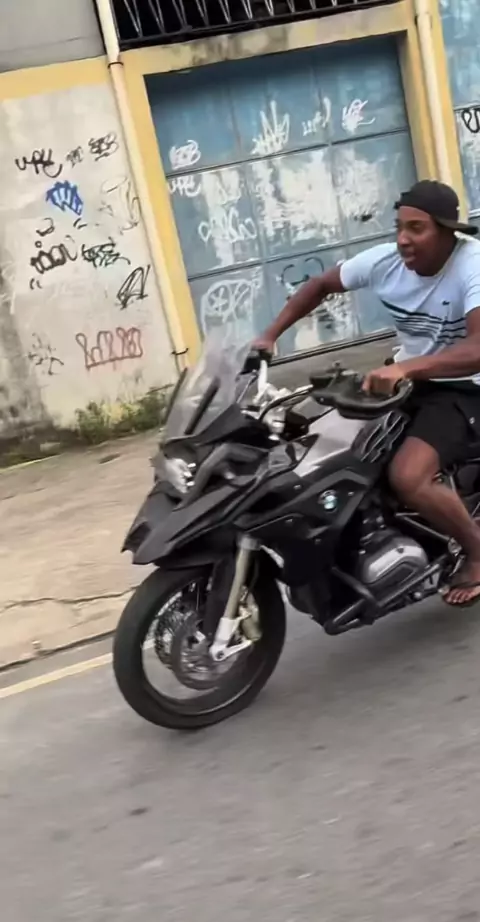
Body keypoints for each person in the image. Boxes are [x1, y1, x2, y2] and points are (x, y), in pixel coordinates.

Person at [253, 180, 480, 607]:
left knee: (408, 476)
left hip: (467, 388)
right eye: (399, 227)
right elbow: (320, 285)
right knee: (336, 453)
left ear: (447, 232)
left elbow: (477, 349)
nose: (403, 239)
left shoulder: (472, 267)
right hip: (411, 381)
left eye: (416, 228)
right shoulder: (385, 262)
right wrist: (269, 335)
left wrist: (405, 367)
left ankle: (476, 553)